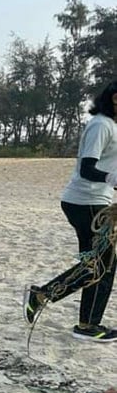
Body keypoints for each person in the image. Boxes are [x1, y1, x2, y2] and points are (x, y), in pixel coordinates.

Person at [24, 80, 117, 341]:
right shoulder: (101, 125)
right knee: (102, 264)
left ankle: (82, 320)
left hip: (96, 201)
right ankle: (76, 318)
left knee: (99, 264)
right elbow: (87, 168)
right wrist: (112, 179)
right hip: (85, 202)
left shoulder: (113, 127)